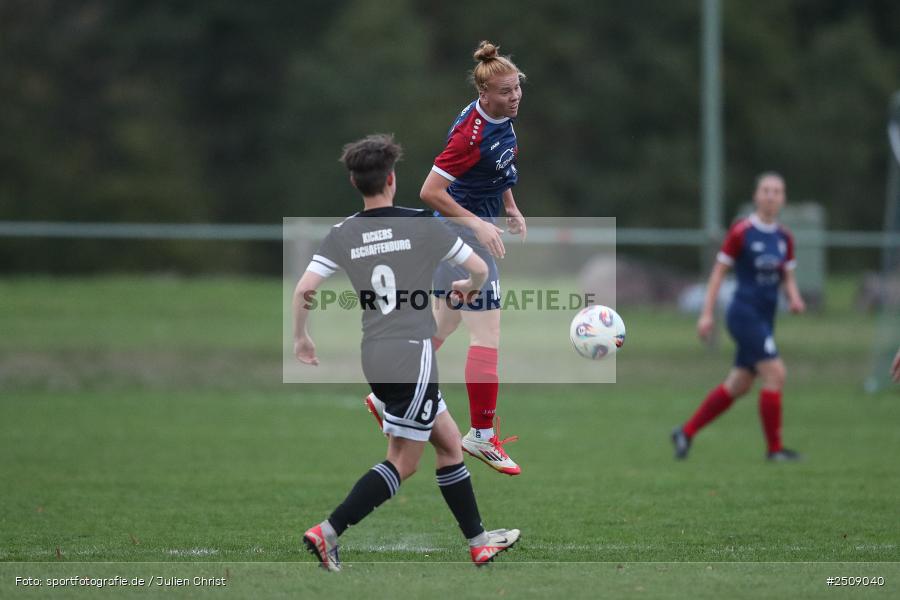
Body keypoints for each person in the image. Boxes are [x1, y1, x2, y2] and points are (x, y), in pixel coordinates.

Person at [294, 134, 520, 571]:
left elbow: (305, 289)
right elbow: (476, 268)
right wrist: (465, 290)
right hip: (413, 355)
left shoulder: (342, 233)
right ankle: (328, 532)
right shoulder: (422, 224)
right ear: (392, 180)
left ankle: (478, 541)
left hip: (374, 352)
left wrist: (302, 338)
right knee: (403, 462)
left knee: (451, 444)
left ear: (354, 182)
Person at [410, 40, 527, 476]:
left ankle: (392, 388)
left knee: (448, 321)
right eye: (506, 92)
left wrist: (509, 205)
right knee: (488, 332)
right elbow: (429, 192)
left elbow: (498, 169)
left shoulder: (502, 117)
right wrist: (477, 224)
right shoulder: (469, 134)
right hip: (460, 234)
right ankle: (480, 434)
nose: (515, 97)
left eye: (517, 88)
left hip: (466, 232)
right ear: (484, 95)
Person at [672, 172, 806, 461]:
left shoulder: (785, 237)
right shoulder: (741, 232)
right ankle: (775, 451)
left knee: (739, 384)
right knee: (776, 374)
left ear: (783, 198)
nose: (771, 195)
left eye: (777, 191)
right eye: (766, 190)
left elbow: (788, 276)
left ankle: (685, 432)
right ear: (756, 196)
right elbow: (718, 274)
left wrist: (794, 298)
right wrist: (707, 314)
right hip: (743, 314)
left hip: (766, 318)